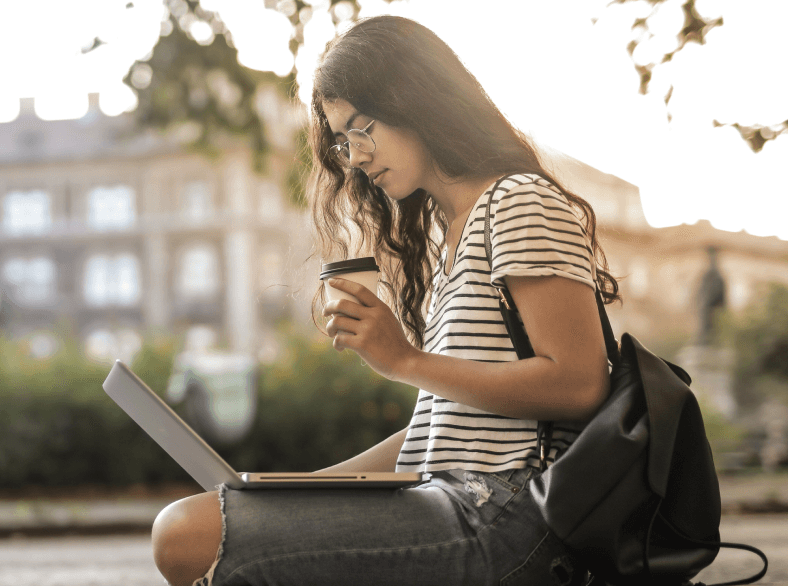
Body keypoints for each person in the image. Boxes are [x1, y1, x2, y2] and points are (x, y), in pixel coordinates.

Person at [149, 15, 622, 586]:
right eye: (342, 140)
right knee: (205, 522)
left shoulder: (518, 201)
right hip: (460, 501)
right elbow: (446, 424)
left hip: (510, 517)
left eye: (361, 128)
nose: (355, 156)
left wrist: (405, 361)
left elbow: (578, 384)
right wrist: (297, 490)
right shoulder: (456, 235)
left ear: (415, 99)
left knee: (184, 534)